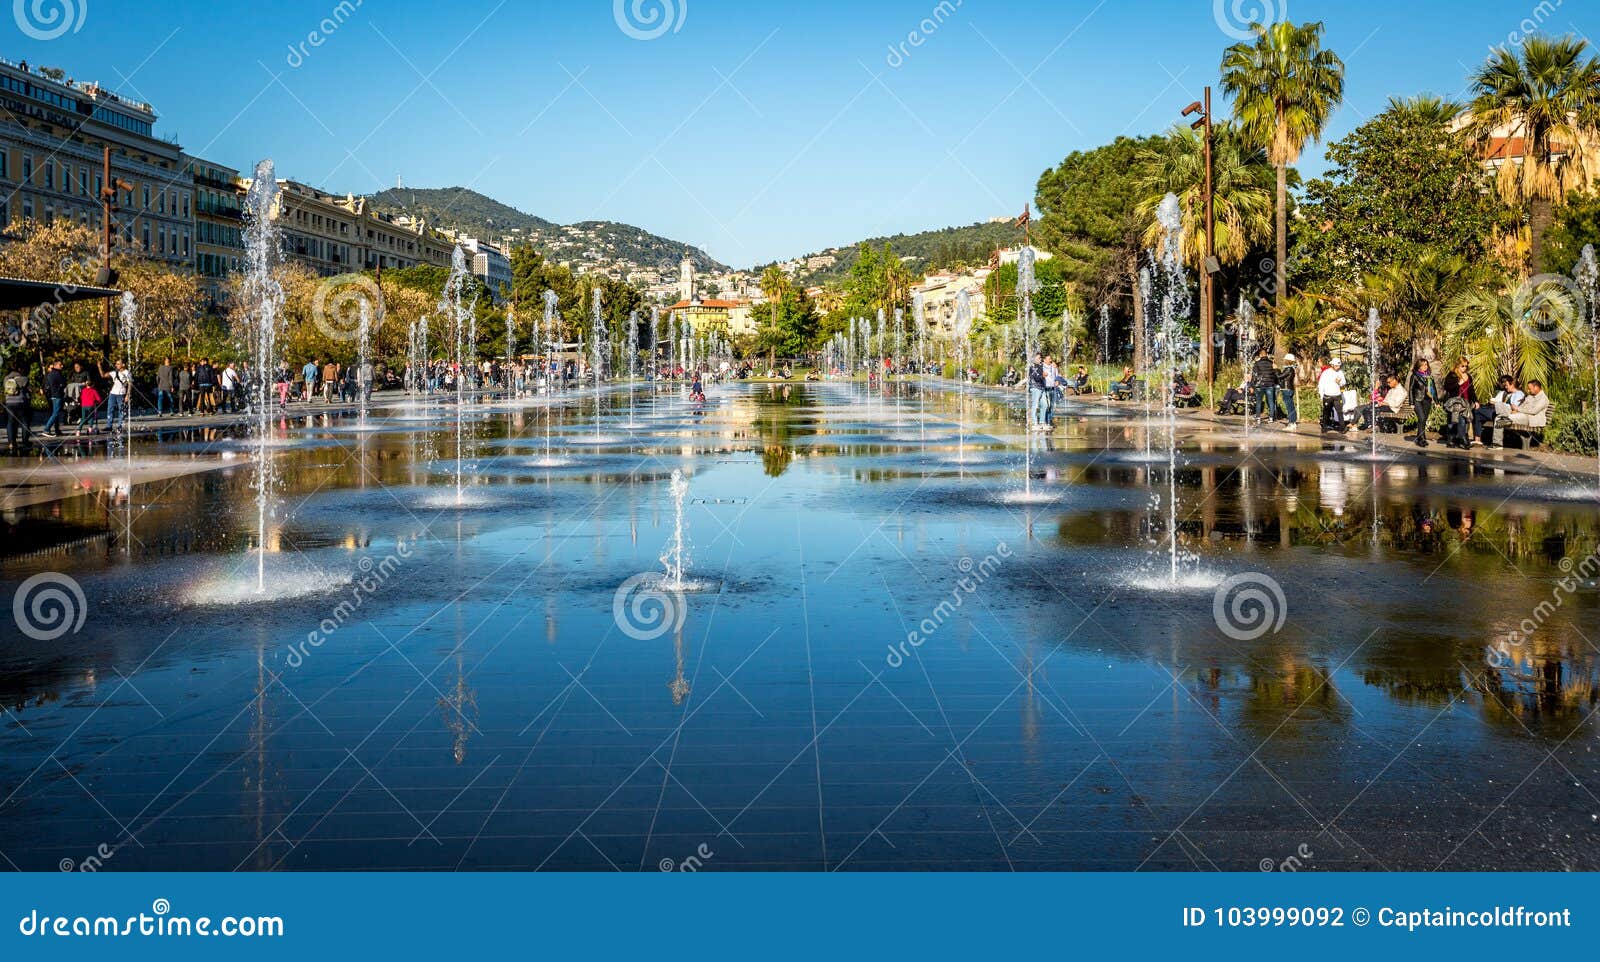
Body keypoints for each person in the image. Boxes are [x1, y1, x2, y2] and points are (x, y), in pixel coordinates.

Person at [1472, 375, 1521, 447]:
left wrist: (1498, 404)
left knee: (1478, 411)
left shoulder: (1518, 394)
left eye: (1507, 385)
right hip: (1496, 410)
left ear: (1512, 384)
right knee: (1477, 411)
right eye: (1505, 385)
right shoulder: (1504, 393)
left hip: (1504, 413)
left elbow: (1514, 408)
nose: (1505, 387)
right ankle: (1477, 439)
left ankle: (1480, 439)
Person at [1440, 359, 1477, 449]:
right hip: (1455, 402)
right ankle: (1459, 440)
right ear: (1457, 366)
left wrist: (1476, 401)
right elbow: (1447, 387)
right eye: (1462, 366)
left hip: (1465, 402)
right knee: (1455, 420)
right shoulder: (1452, 375)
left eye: (1466, 366)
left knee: (1462, 420)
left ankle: (1458, 439)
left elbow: (1471, 390)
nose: (1464, 368)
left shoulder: (1468, 376)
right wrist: (1459, 383)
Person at [1407, 358, 1438, 448]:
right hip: (1417, 399)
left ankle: (1420, 436)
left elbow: (1433, 390)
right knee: (1422, 417)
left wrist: (1436, 401)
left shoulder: (1429, 376)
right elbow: (1411, 389)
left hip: (1427, 400)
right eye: (1423, 365)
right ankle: (1421, 439)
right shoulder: (1415, 376)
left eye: (1426, 364)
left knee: (1424, 419)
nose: (1425, 366)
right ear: (1418, 366)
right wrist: (1411, 402)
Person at [3, 363, 31, 453]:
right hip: (21, 402)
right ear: (19, 369)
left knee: (10, 422)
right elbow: (29, 391)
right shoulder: (24, 378)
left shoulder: (6, 378)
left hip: (9, 403)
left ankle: (11, 442)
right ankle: (25, 442)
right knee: (24, 422)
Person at [1250, 347, 1279, 424]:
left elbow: (1254, 376)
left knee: (1259, 401)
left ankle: (1258, 417)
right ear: (1267, 354)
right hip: (1270, 384)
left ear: (1260, 355)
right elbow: (1275, 374)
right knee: (1270, 401)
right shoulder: (1271, 363)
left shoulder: (1257, 363)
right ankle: (1271, 418)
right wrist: (1275, 383)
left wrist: (1252, 386)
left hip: (1259, 385)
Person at [1317, 357, 1346, 431]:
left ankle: (1342, 428)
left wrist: (1340, 382)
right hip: (1328, 395)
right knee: (1326, 412)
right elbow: (1321, 384)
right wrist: (1321, 395)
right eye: (1336, 366)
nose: (1338, 367)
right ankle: (1324, 427)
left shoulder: (1340, 372)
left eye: (1339, 366)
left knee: (1340, 412)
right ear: (1332, 365)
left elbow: (1344, 383)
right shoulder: (1326, 372)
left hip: (1337, 395)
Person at [40, 360, 68, 437]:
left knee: (55, 413)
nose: (62, 366)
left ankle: (56, 430)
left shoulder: (49, 374)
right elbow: (64, 383)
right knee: (55, 413)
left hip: (52, 395)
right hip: (57, 395)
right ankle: (46, 429)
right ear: (55, 365)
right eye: (60, 364)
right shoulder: (57, 374)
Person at [103, 359, 132, 429]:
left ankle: (120, 426)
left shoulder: (127, 373)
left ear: (123, 365)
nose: (116, 365)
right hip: (112, 393)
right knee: (110, 409)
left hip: (121, 394)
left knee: (121, 410)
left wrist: (128, 395)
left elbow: (130, 384)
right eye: (116, 364)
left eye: (118, 364)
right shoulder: (114, 372)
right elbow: (103, 375)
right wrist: (99, 367)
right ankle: (109, 426)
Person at [1276, 354, 1299, 428]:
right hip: (1289, 389)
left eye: (1285, 360)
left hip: (1286, 389)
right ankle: (1293, 422)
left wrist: (1276, 369)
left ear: (1287, 361)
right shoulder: (1291, 368)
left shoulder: (1289, 369)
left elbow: (1279, 376)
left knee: (1289, 406)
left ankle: (1291, 423)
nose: (1284, 361)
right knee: (1291, 406)